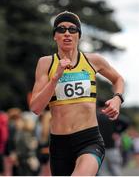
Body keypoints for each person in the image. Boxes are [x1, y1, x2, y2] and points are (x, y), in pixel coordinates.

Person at [29, 11, 125, 176]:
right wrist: (55, 78)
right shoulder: (46, 63)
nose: (67, 33)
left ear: (78, 36)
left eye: (72, 29)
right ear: (55, 36)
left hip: (89, 139)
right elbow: (36, 108)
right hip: (59, 143)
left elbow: (118, 79)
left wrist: (117, 98)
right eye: (61, 29)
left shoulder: (93, 60)